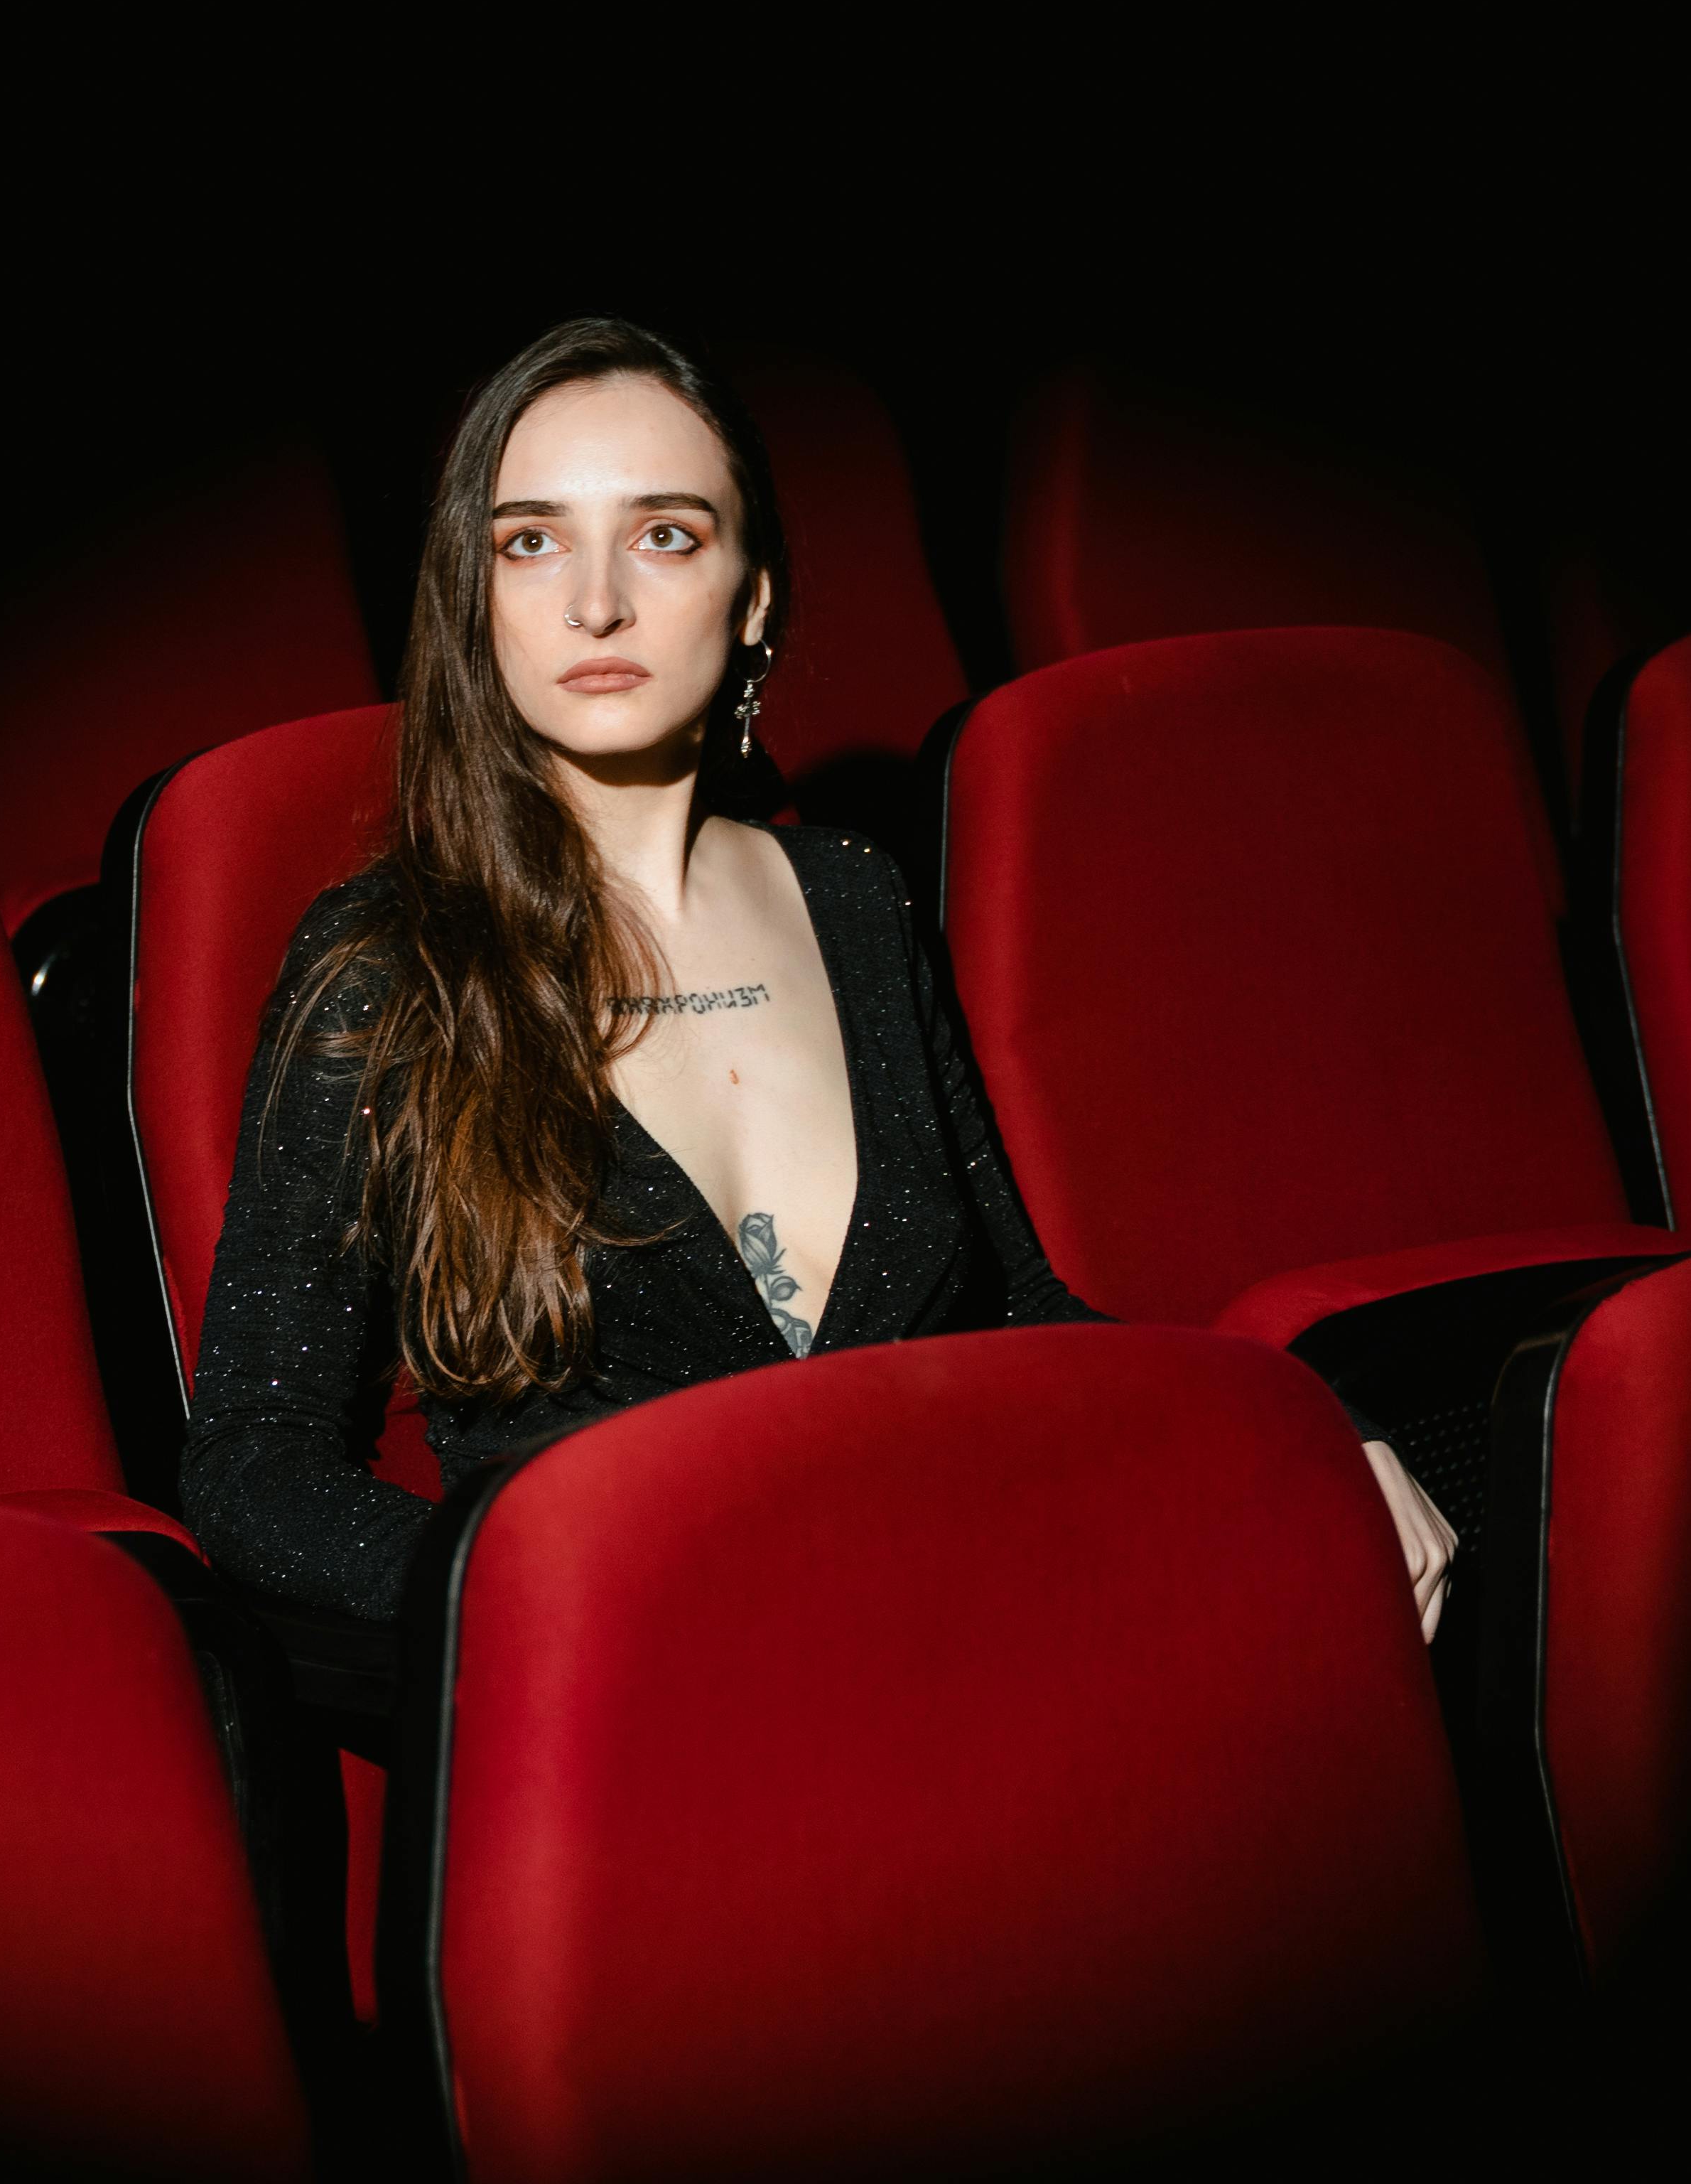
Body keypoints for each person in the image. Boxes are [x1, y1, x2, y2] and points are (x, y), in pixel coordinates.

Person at [180, 318, 1460, 1635]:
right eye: (532, 542)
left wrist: (1300, 1424)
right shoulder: (389, 965)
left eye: (665, 535)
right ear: (475, 595)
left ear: (753, 598)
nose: (596, 601)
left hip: (956, 1609)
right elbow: (253, 1464)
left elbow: (1021, 1307)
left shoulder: (855, 899)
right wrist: (544, 1595)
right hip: (647, 1688)